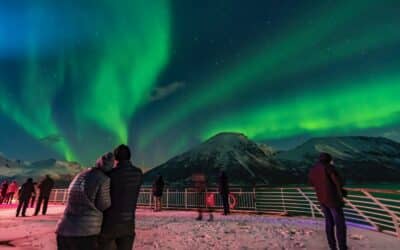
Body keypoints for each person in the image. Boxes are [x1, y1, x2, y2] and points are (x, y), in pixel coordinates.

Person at [56, 152, 113, 250]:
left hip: (64, 228)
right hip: (85, 231)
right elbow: (103, 205)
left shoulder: (80, 175)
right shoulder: (103, 179)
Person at [99, 145, 143, 250]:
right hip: (129, 224)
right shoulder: (138, 173)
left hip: (109, 223)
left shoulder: (110, 174)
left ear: (116, 158)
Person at [309, 153, 347, 250]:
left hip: (321, 199)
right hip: (333, 200)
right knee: (340, 224)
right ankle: (342, 247)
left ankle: (332, 246)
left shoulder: (313, 170)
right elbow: (337, 182)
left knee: (329, 223)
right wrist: (341, 193)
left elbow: (312, 183)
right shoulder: (329, 167)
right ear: (329, 159)